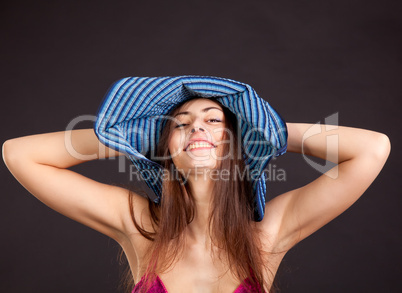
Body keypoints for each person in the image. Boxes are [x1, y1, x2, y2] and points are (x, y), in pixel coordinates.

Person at [2, 76, 391, 293]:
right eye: (181, 124)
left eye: (213, 120)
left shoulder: (267, 235)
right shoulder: (140, 227)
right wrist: (133, 141)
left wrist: (266, 132)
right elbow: (19, 154)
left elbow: (372, 149)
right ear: (166, 148)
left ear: (234, 143)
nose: (197, 127)